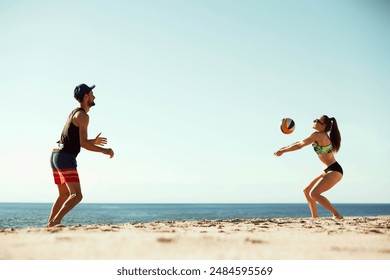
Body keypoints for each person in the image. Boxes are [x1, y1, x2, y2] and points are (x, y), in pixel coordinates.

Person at [48, 84, 114, 227]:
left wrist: (93, 141)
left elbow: (76, 141)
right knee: (77, 195)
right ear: (85, 97)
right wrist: (105, 150)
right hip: (65, 157)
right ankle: (56, 221)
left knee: (64, 194)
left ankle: (50, 224)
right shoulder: (83, 116)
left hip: (56, 155)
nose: (94, 96)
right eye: (91, 94)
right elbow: (83, 144)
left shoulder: (75, 113)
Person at [274, 115, 343, 219]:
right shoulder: (320, 135)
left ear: (323, 126)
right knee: (307, 191)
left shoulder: (319, 135)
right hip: (328, 170)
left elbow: (299, 145)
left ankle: (337, 215)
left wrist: (283, 151)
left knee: (314, 194)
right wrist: (282, 149)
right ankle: (315, 217)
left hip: (334, 170)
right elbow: (299, 143)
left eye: (317, 120)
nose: (314, 121)